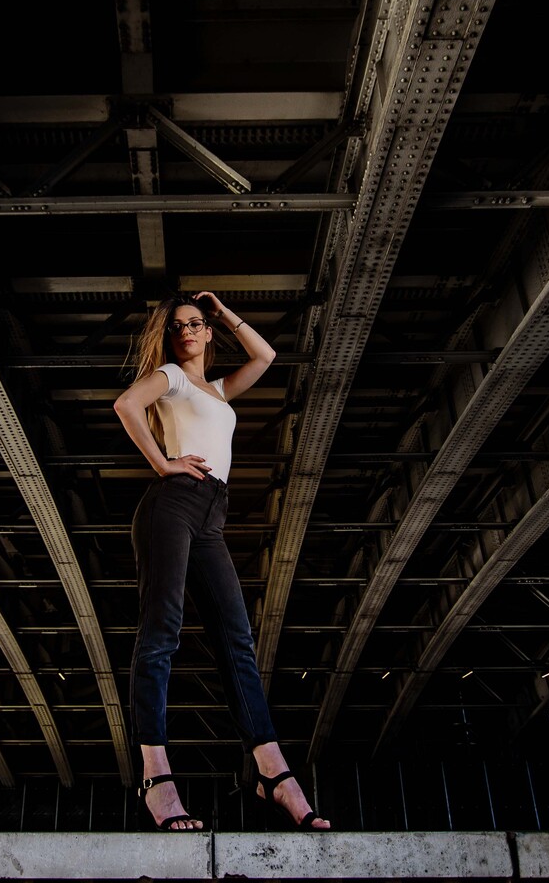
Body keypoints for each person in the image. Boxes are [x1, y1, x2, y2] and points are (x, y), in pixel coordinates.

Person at [114, 292, 331, 832]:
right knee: (162, 631)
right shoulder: (171, 376)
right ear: (168, 338)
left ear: (208, 332)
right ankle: (155, 775)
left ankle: (270, 770)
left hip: (211, 512)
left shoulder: (215, 388)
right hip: (174, 503)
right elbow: (125, 405)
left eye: (195, 324)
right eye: (178, 325)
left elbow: (265, 358)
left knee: (237, 637)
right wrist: (164, 463)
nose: (186, 331)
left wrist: (222, 312)